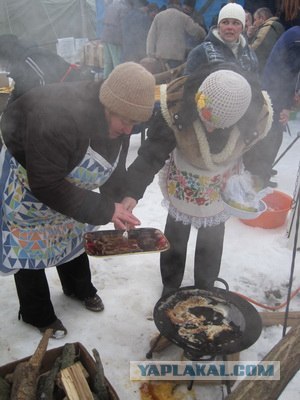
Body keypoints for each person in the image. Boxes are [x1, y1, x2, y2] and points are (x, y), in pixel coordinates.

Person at [0, 62, 155, 338]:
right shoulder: (59, 118)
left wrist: (119, 198)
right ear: (108, 104)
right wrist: (106, 209)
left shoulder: (116, 117)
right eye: (125, 121)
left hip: (63, 179)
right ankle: (37, 314)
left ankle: (78, 288)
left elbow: (111, 165)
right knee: (28, 246)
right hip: (29, 184)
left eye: (135, 124)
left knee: (71, 232)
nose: (129, 130)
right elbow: (46, 184)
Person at [123, 63, 273, 296]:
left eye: (218, 125)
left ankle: (206, 284)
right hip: (183, 182)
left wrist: (254, 181)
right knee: (175, 233)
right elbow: (152, 153)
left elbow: (261, 159)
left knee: (212, 237)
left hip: (219, 186)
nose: (210, 129)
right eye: (206, 121)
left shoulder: (255, 117)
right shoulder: (177, 105)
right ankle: (170, 283)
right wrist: (131, 191)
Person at [244, 26, 300, 187]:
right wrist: (288, 104)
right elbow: (289, 72)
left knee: (275, 132)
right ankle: (258, 174)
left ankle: (263, 169)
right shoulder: (296, 36)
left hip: (281, 87)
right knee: (270, 133)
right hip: (274, 88)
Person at [0, 34, 91, 107]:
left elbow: (45, 82)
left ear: (7, 53)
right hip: (58, 91)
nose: (3, 64)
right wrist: (8, 108)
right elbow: (17, 87)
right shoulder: (19, 62)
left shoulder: (29, 58)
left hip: (71, 89)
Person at [185, 3, 259, 78]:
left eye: (236, 23)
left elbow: (256, 84)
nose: (230, 27)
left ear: (242, 28)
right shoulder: (201, 52)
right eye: (225, 22)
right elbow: (187, 85)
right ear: (218, 25)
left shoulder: (250, 54)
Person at [146, 0, 206, 69]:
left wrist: (150, 54)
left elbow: (151, 37)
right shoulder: (183, 17)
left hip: (161, 56)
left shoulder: (158, 16)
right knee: (176, 77)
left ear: (168, 4)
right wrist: (203, 35)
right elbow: (197, 31)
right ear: (179, 5)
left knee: (163, 78)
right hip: (177, 57)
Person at [249, 7, 285, 74]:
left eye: (255, 20)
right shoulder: (276, 26)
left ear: (262, 18)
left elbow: (254, 49)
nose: (254, 23)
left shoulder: (268, 27)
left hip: (267, 71)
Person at [101, 0, 129, 78]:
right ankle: (118, 81)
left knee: (107, 63)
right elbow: (124, 24)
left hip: (105, 35)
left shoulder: (110, 5)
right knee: (117, 62)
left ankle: (105, 82)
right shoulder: (123, 7)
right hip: (114, 37)